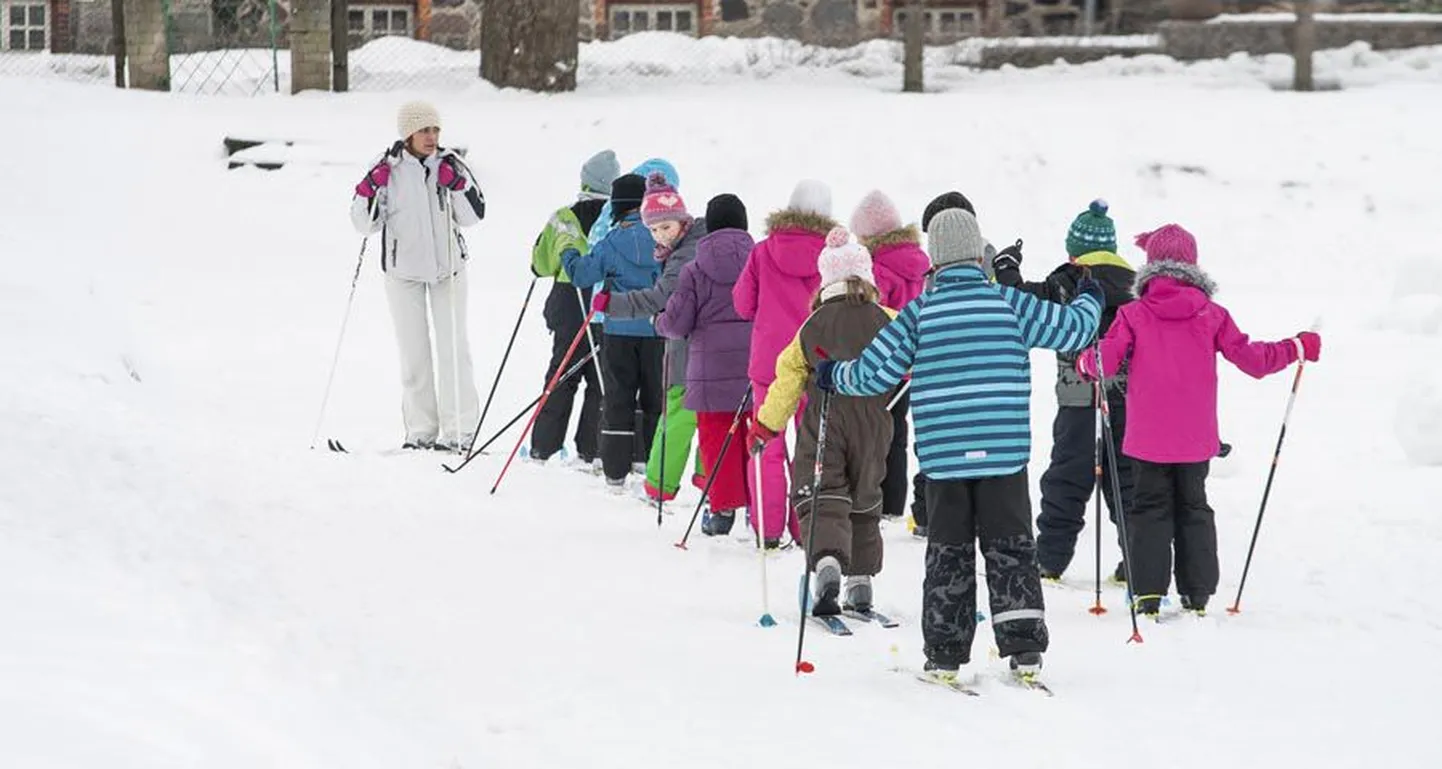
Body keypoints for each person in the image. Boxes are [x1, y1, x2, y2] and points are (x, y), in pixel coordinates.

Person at [816, 208, 1102, 683]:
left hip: (944, 459)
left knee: (948, 554)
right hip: (1004, 455)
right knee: (1011, 549)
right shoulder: (1009, 304)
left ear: (936, 259)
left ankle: (945, 653)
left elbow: (872, 374)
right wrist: (1091, 297)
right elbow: (1074, 329)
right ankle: (1024, 647)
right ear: (977, 254)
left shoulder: (919, 313)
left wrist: (833, 375)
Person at [1077, 224, 1322, 617]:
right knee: (1194, 506)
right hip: (1195, 440)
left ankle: (1148, 593)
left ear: (1151, 266)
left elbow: (1103, 361)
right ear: (1192, 264)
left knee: (1149, 508)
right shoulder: (1212, 315)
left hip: (1147, 440)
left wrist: (1086, 361)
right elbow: (1254, 361)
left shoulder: (1132, 314)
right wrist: (1296, 347)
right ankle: (1198, 592)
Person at [750, 227, 897, 615]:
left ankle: (829, 562)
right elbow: (915, 353)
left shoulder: (812, 326)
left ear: (825, 281)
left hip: (825, 418)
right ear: (867, 277)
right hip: (874, 420)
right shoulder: (888, 319)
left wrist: (767, 426)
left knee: (823, 491)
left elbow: (788, 378)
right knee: (865, 494)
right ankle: (861, 581)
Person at [993, 199, 1136, 582]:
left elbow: (1021, 301)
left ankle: (1051, 558)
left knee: (1067, 474)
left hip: (1077, 397)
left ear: (1074, 250)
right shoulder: (1136, 286)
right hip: (1127, 399)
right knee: (1126, 476)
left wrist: (1006, 269)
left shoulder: (1067, 281)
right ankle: (1136, 558)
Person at [350, 100, 485, 452]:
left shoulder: (451, 163)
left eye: (436, 130)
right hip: (403, 271)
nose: (431, 137)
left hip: (448, 270)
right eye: (424, 130)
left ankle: (460, 430)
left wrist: (456, 185)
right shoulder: (386, 168)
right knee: (414, 353)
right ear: (407, 133)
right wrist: (367, 188)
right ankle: (421, 431)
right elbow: (364, 223)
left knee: (453, 347)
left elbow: (474, 215)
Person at [733, 179, 836, 547]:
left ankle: (768, 530)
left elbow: (743, 304)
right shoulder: (834, 255)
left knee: (766, 445)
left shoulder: (762, 252)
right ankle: (807, 527)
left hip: (769, 364)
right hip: (816, 362)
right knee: (813, 447)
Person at [604, 172, 708, 504]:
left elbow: (659, 298)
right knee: (713, 415)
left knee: (677, 414)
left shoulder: (681, 258)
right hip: (712, 348)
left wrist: (613, 304)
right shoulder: (697, 244)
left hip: (689, 348)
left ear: (682, 220)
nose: (661, 236)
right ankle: (713, 483)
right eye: (654, 230)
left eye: (667, 227)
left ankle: (659, 486)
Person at [655, 194, 753, 535]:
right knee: (754, 438)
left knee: (716, 441)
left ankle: (722, 511)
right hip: (755, 372)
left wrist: (659, 322)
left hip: (709, 376)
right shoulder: (759, 262)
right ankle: (759, 507)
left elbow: (678, 324)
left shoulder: (694, 269)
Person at [562, 174, 663, 489]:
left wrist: (569, 255)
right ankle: (649, 463)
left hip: (618, 330)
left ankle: (615, 472)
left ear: (617, 206)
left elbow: (582, 276)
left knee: (618, 397)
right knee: (653, 399)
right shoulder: (662, 239)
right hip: (657, 331)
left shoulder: (612, 241)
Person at [526, 150, 620, 468]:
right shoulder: (617, 219)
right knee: (599, 376)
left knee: (561, 374)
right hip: (604, 302)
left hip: (568, 300)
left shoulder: (563, 217)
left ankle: (544, 447)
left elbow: (540, 265)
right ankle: (590, 449)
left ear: (584, 181)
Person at [849, 190, 930, 525]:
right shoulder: (917, 263)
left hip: (882, 360)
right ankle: (894, 500)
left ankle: (874, 497)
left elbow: (868, 315)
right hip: (911, 362)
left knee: (873, 430)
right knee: (898, 428)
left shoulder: (879, 270)